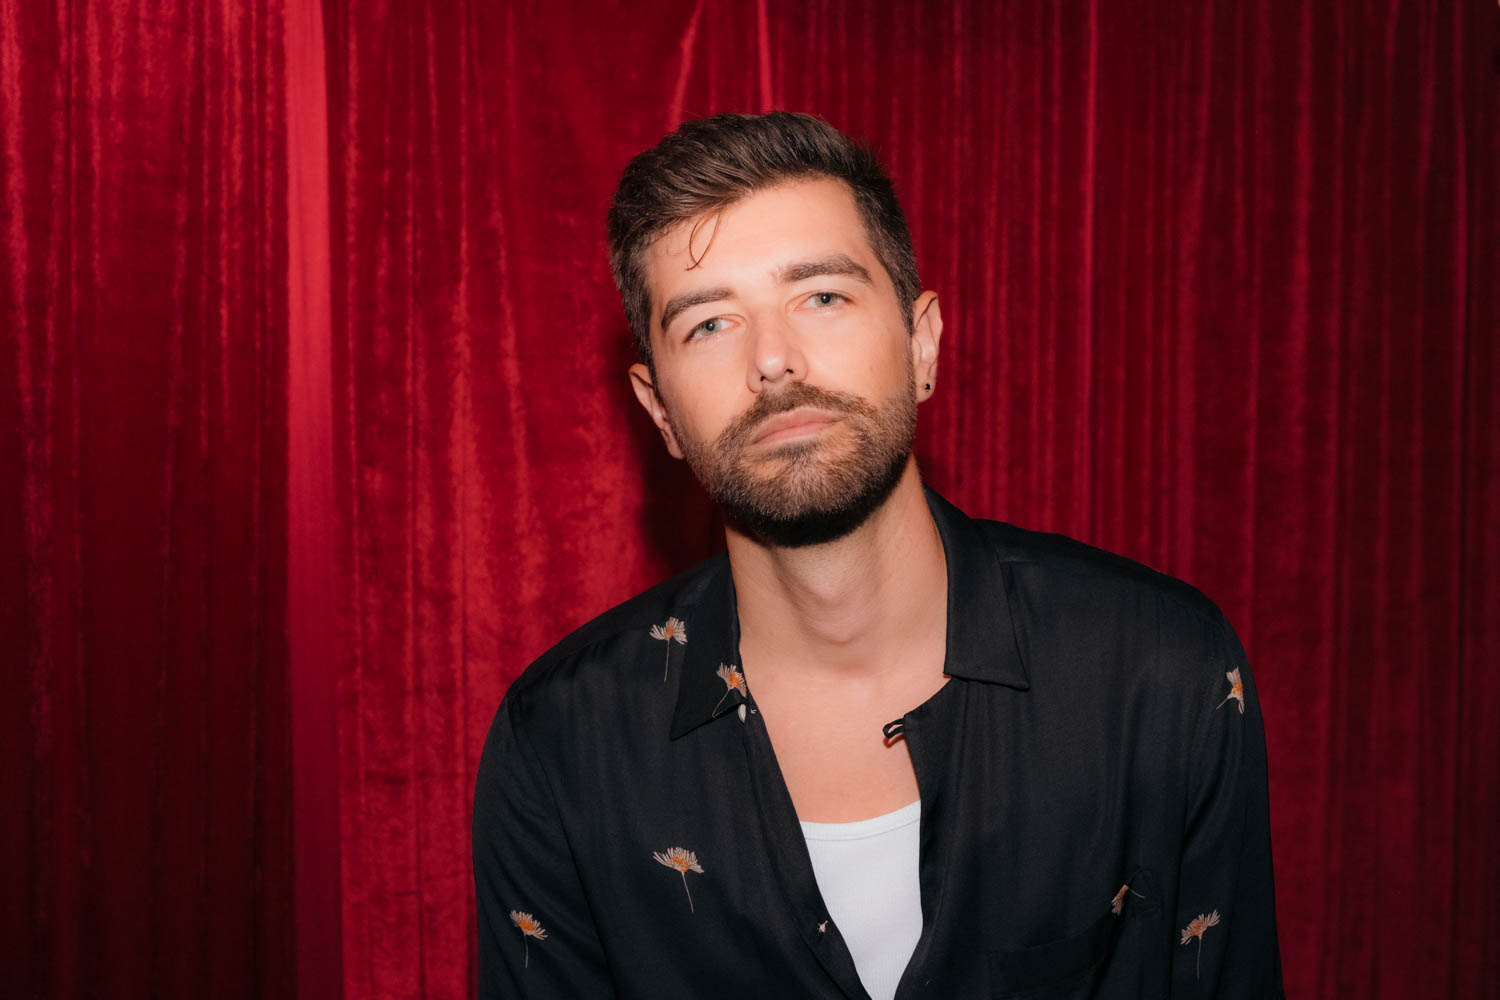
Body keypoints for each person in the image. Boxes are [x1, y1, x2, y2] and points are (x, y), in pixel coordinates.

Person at [473, 112, 1283, 999]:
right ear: (659, 410)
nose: (774, 360)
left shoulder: (1161, 675)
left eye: (821, 296)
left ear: (922, 341)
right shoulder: (561, 745)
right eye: (709, 324)